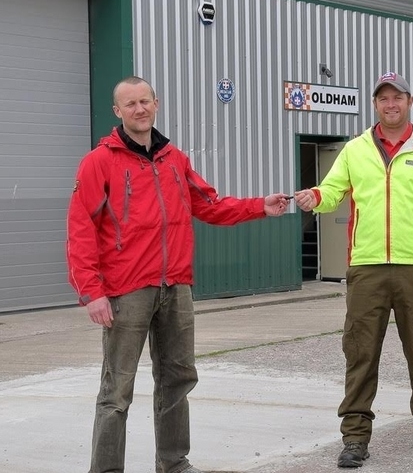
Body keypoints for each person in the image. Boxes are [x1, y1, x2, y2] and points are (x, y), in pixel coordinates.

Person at [66, 76, 290, 473]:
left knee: (177, 380)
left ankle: (174, 463)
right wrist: (91, 290)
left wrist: (260, 206)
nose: (139, 109)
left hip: (176, 287)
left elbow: (209, 204)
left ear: (157, 103)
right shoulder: (100, 161)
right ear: (117, 112)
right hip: (125, 290)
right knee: (116, 390)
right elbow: (81, 226)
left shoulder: (174, 159)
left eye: (145, 101)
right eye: (130, 104)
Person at [293, 71, 413, 468]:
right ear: (375, 104)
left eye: (397, 98)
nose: (390, 104)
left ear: (409, 101)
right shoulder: (355, 150)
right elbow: (333, 192)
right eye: (383, 99)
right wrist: (315, 196)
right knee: (360, 353)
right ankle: (354, 439)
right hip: (366, 268)